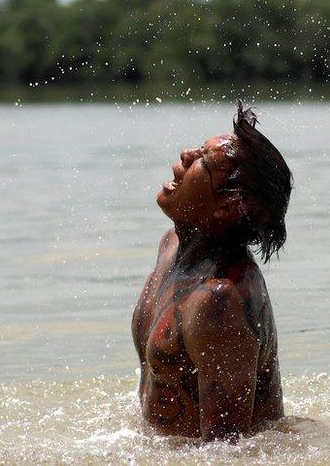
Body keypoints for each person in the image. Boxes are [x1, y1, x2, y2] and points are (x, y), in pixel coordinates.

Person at [131, 101, 293, 441]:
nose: (186, 154)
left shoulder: (219, 301)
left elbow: (226, 453)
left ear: (228, 206)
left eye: (203, 160)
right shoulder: (171, 247)